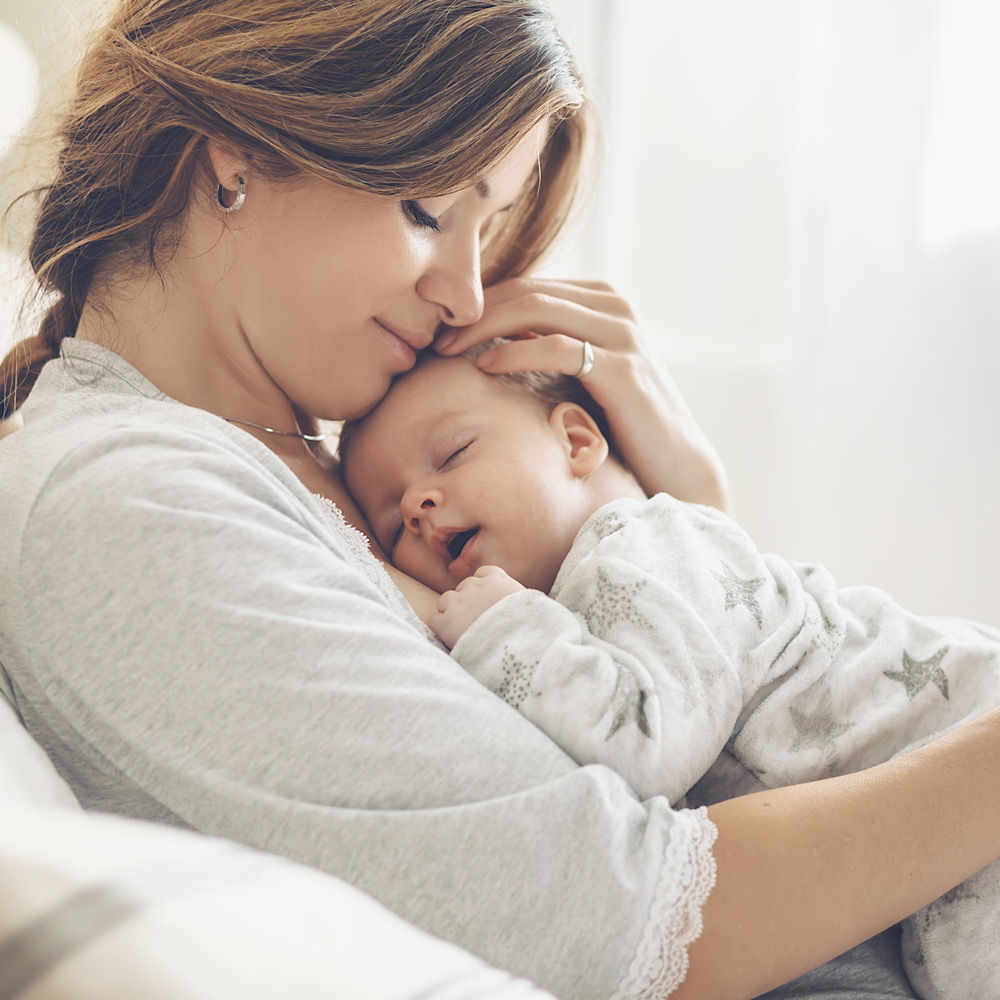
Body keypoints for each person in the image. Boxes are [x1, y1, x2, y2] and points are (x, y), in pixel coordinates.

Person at [1, 2, 1000, 998]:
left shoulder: (332, 460)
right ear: (233, 161)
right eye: (429, 211)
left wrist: (691, 512)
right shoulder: (128, 502)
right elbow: (624, 916)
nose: (469, 297)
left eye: (491, 233)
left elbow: (696, 753)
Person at [340, 344, 1000, 999]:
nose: (417, 505)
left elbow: (648, 749)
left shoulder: (642, 544)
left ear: (576, 441)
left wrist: (503, 627)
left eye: (453, 454)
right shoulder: (595, 595)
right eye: (390, 522)